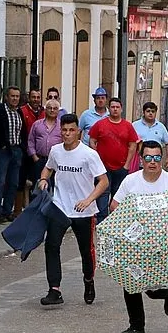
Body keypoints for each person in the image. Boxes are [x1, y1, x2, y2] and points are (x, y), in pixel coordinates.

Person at [111, 141, 168, 333]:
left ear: (162, 159)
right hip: (135, 243)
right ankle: (136, 326)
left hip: (163, 244)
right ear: (141, 159)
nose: (152, 162)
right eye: (148, 158)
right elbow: (114, 205)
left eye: (156, 158)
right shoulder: (131, 181)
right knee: (130, 282)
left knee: (155, 290)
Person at [35, 113, 108, 306]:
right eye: (64, 130)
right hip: (59, 207)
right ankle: (54, 290)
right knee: (51, 246)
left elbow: (103, 181)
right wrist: (43, 179)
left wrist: (88, 199)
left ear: (79, 132)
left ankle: (89, 281)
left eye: (71, 130)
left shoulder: (89, 154)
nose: (67, 134)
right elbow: (48, 168)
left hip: (84, 211)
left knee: (85, 250)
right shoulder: (56, 151)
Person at [89, 97, 140, 221]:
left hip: (121, 167)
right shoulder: (100, 124)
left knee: (118, 195)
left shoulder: (127, 126)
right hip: (103, 168)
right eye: (112, 107)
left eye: (117, 107)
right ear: (109, 109)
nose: (115, 109)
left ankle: (116, 221)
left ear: (121, 109)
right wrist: (97, 160)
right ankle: (101, 222)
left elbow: (133, 145)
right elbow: (92, 140)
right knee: (103, 194)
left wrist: (127, 165)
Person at [0, 86, 26, 224]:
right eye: (12, 96)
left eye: (17, 96)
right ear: (7, 97)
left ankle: (7, 211)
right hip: (4, 151)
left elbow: (22, 131)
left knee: (13, 182)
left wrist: (22, 147)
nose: (15, 99)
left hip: (17, 150)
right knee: (0, 182)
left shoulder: (19, 112)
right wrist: (1, 144)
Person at [27, 99, 63, 187]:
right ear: (45, 109)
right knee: (38, 187)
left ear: (58, 111)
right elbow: (30, 142)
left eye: (55, 108)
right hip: (40, 160)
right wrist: (35, 157)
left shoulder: (62, 126)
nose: (52, 110)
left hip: (56, 161)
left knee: (55, 187)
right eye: (49, 108)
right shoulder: (37, 124)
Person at [132, 102, 168, 170]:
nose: (150, 113)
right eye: (148, 111)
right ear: (143, 112)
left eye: (153, 111)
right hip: (139, 163)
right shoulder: (135, 125)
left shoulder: (161, 126)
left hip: (156, 162)